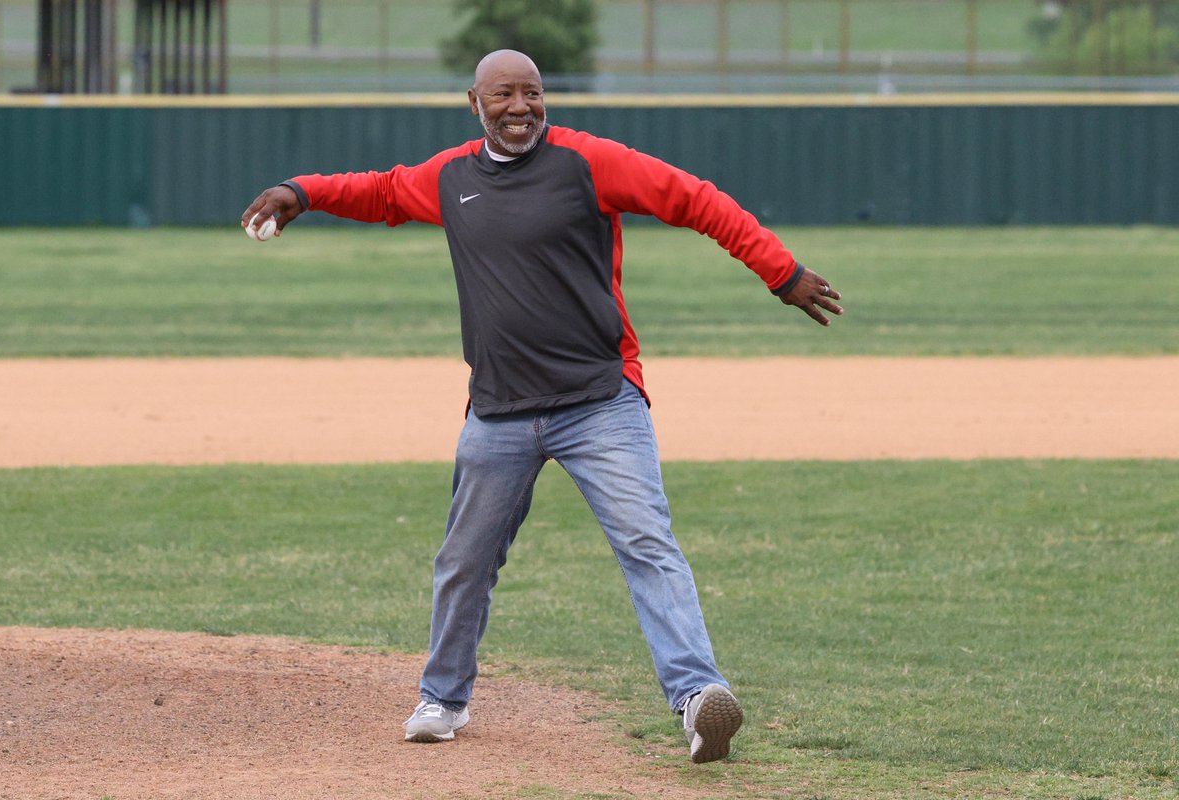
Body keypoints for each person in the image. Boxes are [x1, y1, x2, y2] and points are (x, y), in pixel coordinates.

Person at [241, 49, 843, 764]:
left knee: (648, 545)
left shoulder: (588, 163)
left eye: (532, 93)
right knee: (465, 560)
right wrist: (299, 192)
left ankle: (697, 700)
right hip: (497, 412)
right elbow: (378, 191)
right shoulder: (451, 178)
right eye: (503, 95)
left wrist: (782, 272)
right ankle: (443, 698)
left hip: (599, 401)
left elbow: (696, 199)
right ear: (475, 103)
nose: (520, 106)